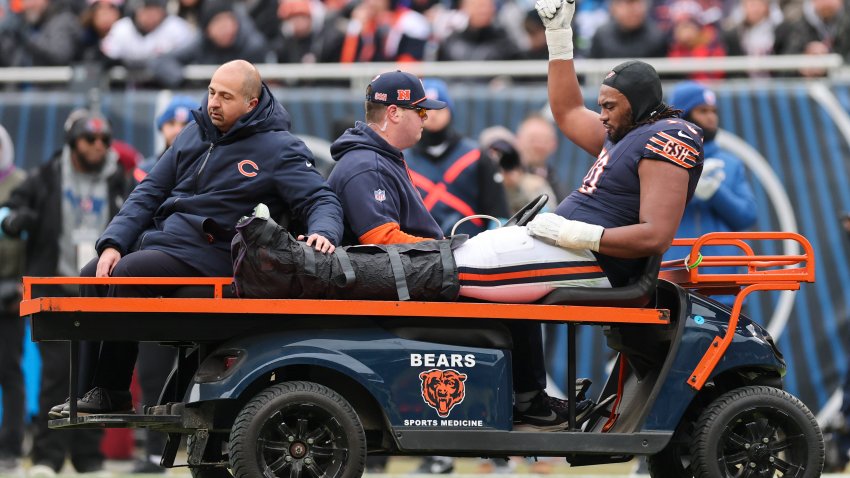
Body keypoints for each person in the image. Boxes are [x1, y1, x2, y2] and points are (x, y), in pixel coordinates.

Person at [49, 60, 344, 417]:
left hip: (219, 253)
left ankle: (113, 390)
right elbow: (148, 193)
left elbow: (320, 198)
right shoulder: (193, 133)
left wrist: (323, 232)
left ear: (251, 104)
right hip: (167, 243)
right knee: (92, 272)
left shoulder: (279, 148)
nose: (213, 103)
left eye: (225, 96)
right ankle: (86, 393)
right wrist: (112, 242)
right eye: (211, 92)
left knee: (128, 273)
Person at [327, 70, 601, 432]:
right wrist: (448, 253)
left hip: (414, 279)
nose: (425, 120)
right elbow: (381, 238)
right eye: (420, 112)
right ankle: (530, 403)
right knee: (514, 293)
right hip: (405, 290)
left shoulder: (380, 158)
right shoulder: (366, 164)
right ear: (394, 113)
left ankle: (528, 399)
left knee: (513, 283)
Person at [532, 0, 704, 289]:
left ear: (636, 105)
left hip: (592, 260)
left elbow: (657, 236)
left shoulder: (668, 135)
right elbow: (568, 112)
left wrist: (576, 233)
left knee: (459, 269)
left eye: (610, 106)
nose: (602, 116)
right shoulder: (624, 133)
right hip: (570, 252)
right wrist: (559, 36)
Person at [0, 110, 135, 477]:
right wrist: (13, 220)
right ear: (72, 142)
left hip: (98, 293)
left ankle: (88, 458)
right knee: (56, 377)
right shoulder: (47, 176)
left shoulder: (119, 181)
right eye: (89, 139)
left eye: (104, 140)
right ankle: (47, 457)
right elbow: (11, 208)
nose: (97, 146)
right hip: (56, 291)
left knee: (92, 382)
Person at [664, 81, 756, 305]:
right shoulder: (661, 161)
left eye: (713, 111)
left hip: (724, 285)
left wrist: (715, 192)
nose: (711, 117)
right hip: (673, 281)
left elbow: (747, 215)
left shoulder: (730, 163)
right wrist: (687, 189)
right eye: (702, 110)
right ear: (683, 115)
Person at [404, 78, 509, 237]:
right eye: (424, 110)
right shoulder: (402, 161)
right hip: (420, 252)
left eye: (439, 108)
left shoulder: (476, 156)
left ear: (450, 111)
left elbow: (498, 214)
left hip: (473, 248)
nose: (432, 116)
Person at [150, 1, 270, 88]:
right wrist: (185, 83)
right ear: (207, 30)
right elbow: (162, 61)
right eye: (217, 23)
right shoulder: (201, 44)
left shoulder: (253, 46)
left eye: (228, 20)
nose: (225, 28)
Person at [0, 124, 26, 477]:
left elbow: (33, 237)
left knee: (9, 372)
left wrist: (22, 285)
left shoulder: (21, 184)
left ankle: (11, 447)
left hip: (9, 291)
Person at [137, 95, 200, 177]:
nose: (177, 130)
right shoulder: (143, 171)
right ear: (162, 127)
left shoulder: (206, 170)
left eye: (186, 124)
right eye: (171, 123)